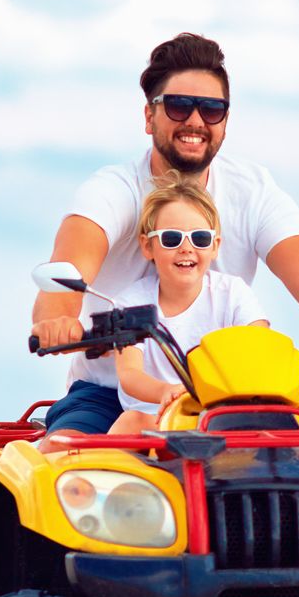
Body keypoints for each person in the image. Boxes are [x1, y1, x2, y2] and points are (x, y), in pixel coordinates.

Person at [32, 32, 299, 434]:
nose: (196, 121)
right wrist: (58, 320)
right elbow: (70, 265)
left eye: (212, 110)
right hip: (113, 395)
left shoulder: (251, 190)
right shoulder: (112, 190)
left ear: (225, 121)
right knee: (69, 460)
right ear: (149, 117)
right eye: (179, 106)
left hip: (230, 395)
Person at [105, 173, 269, 436]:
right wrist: (165, 392)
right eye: (171, 239)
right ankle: (103, 475)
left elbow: (262, 347)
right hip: (157, 416)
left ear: (215, 246)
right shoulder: (131, 303)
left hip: (222, 415)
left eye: (200, 238)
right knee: (130, 423)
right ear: (148, 246)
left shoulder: (233, 293)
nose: (186, 248)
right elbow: (130, 374)